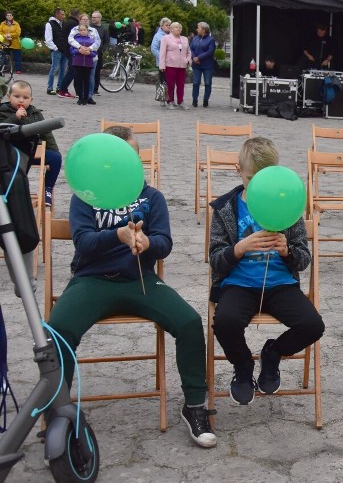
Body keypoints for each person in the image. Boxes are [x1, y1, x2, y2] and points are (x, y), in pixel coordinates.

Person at [47, 125, 217, 448]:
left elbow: (165, 244)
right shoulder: (86, 196)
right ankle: (58, 414)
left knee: (190, 321)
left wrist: (146, 241)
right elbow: (82, 243)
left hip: (140, 280)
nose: (133, 162)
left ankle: (195, 406)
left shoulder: (152, 197)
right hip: (92, 280)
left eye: (135, 156)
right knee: (57, 329)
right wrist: (118, 235)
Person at [209, 137, 324, 405]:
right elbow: (215, 259)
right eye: (251, 180)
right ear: (239, 171)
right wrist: (238, 248)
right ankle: (243, 367)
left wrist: (288, 252)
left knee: (312, 325)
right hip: (239, 284)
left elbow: (304, 259)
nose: (258, 188)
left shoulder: (288, 204)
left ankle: (272, 354)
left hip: (280, 284)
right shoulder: (226, 208)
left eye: (265, 180)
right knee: (224, 322)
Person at [0, 80, 62, 206]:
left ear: (31, 99)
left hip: (32, 152)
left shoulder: (35, 113)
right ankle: (13, 191)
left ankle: (47, 189)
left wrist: (53, 149)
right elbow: (2, 131)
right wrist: (15, 118)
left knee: (55, 158)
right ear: (9, 97)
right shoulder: (2, 111)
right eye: (16, 97)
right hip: (10, 155)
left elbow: (47, 134)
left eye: (25, 98)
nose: (21, 101)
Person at [68, 14, 101, 105]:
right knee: (78, 79)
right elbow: (71, 41)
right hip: (78, 60)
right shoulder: (74, 31)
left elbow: (97, 43)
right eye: (83, 19)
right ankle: (80, 96)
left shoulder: (93, 31)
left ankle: (88, 97)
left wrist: (89, 50)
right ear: (80, 20)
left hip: (90, 59)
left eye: (87, 19)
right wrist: (79, 48)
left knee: (90, 78)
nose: (85, 21)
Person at [159, 21, 191, 110]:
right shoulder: (166, 38)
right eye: (176, 27)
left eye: (180, 27)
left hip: (182, 66)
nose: (179, 29)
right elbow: (162, 52)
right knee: (170, 84)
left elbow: (189, 51)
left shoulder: (185, 39)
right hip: (170, 65)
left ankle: (180, 101)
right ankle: (170, 101)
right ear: (171, 29)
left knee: (181, 84)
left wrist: (187, 60)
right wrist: (162, 65)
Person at [190, 21, 216, 108]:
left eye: (199, 28)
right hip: (196, 65)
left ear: (204, 29)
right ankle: (194, 100)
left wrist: (199, 57)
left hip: (207, 65)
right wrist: (194, 57)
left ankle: (206, 100)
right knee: (196, 82)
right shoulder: (195, 38)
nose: (197, 29)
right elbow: (191, 49)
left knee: (208, 83)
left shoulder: (211, 40)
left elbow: (210, 51)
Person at [57, 9, 81, 99]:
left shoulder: (67, 22)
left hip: (66, 49)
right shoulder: (74, 24)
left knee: (71, 70)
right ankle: (63, 90)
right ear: (78, 16)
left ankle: (62, 89)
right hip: (71, 50)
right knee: (72, 71)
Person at [44, 8, 67, 96]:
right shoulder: (50, 24)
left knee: (63, 70)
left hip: (64, 50)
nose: (63, 16)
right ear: (57, 14)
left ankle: (59, 87)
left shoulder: (64, 24)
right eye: (62, 14)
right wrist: (55, 48)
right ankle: (50, 88)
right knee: (54, 69)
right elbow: (48, 38)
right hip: (56, 50)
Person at [90, 11, 111, 98]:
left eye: (95, 17)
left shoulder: (104, 29)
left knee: (97, 71)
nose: (93, 19)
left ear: (100, 18)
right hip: (89, 52)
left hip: (98, 53)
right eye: (92, 17)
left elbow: (107, 41)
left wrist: (103, 50)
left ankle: (95, 89)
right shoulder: (89, 27)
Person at [150, 17, 172, 86]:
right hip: (162, 63)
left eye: (169, 25)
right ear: (161, 26)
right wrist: (162, 57)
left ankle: (169, 95)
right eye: (166, 25)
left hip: (172, 62)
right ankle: (163, 96)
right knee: (163, 82)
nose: (168, 26)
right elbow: (154, 48)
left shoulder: (173, 35)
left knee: (170, 82)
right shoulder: (157, 36)